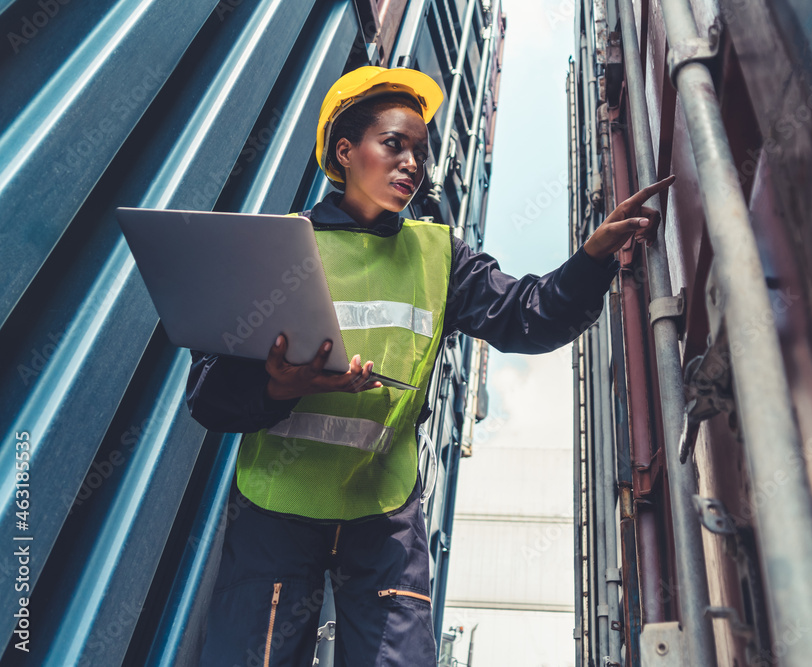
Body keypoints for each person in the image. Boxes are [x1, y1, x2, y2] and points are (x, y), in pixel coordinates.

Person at [186, 65, 673, 666]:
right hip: (276, 508)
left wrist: (592, 258)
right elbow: (207, 396)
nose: (414, 163)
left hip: (384, 512)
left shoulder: (439, 254)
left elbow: (531, 317)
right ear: (346, 150)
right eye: (394, 144)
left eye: (421, 150)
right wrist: (275, 385)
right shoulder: (281, 246)